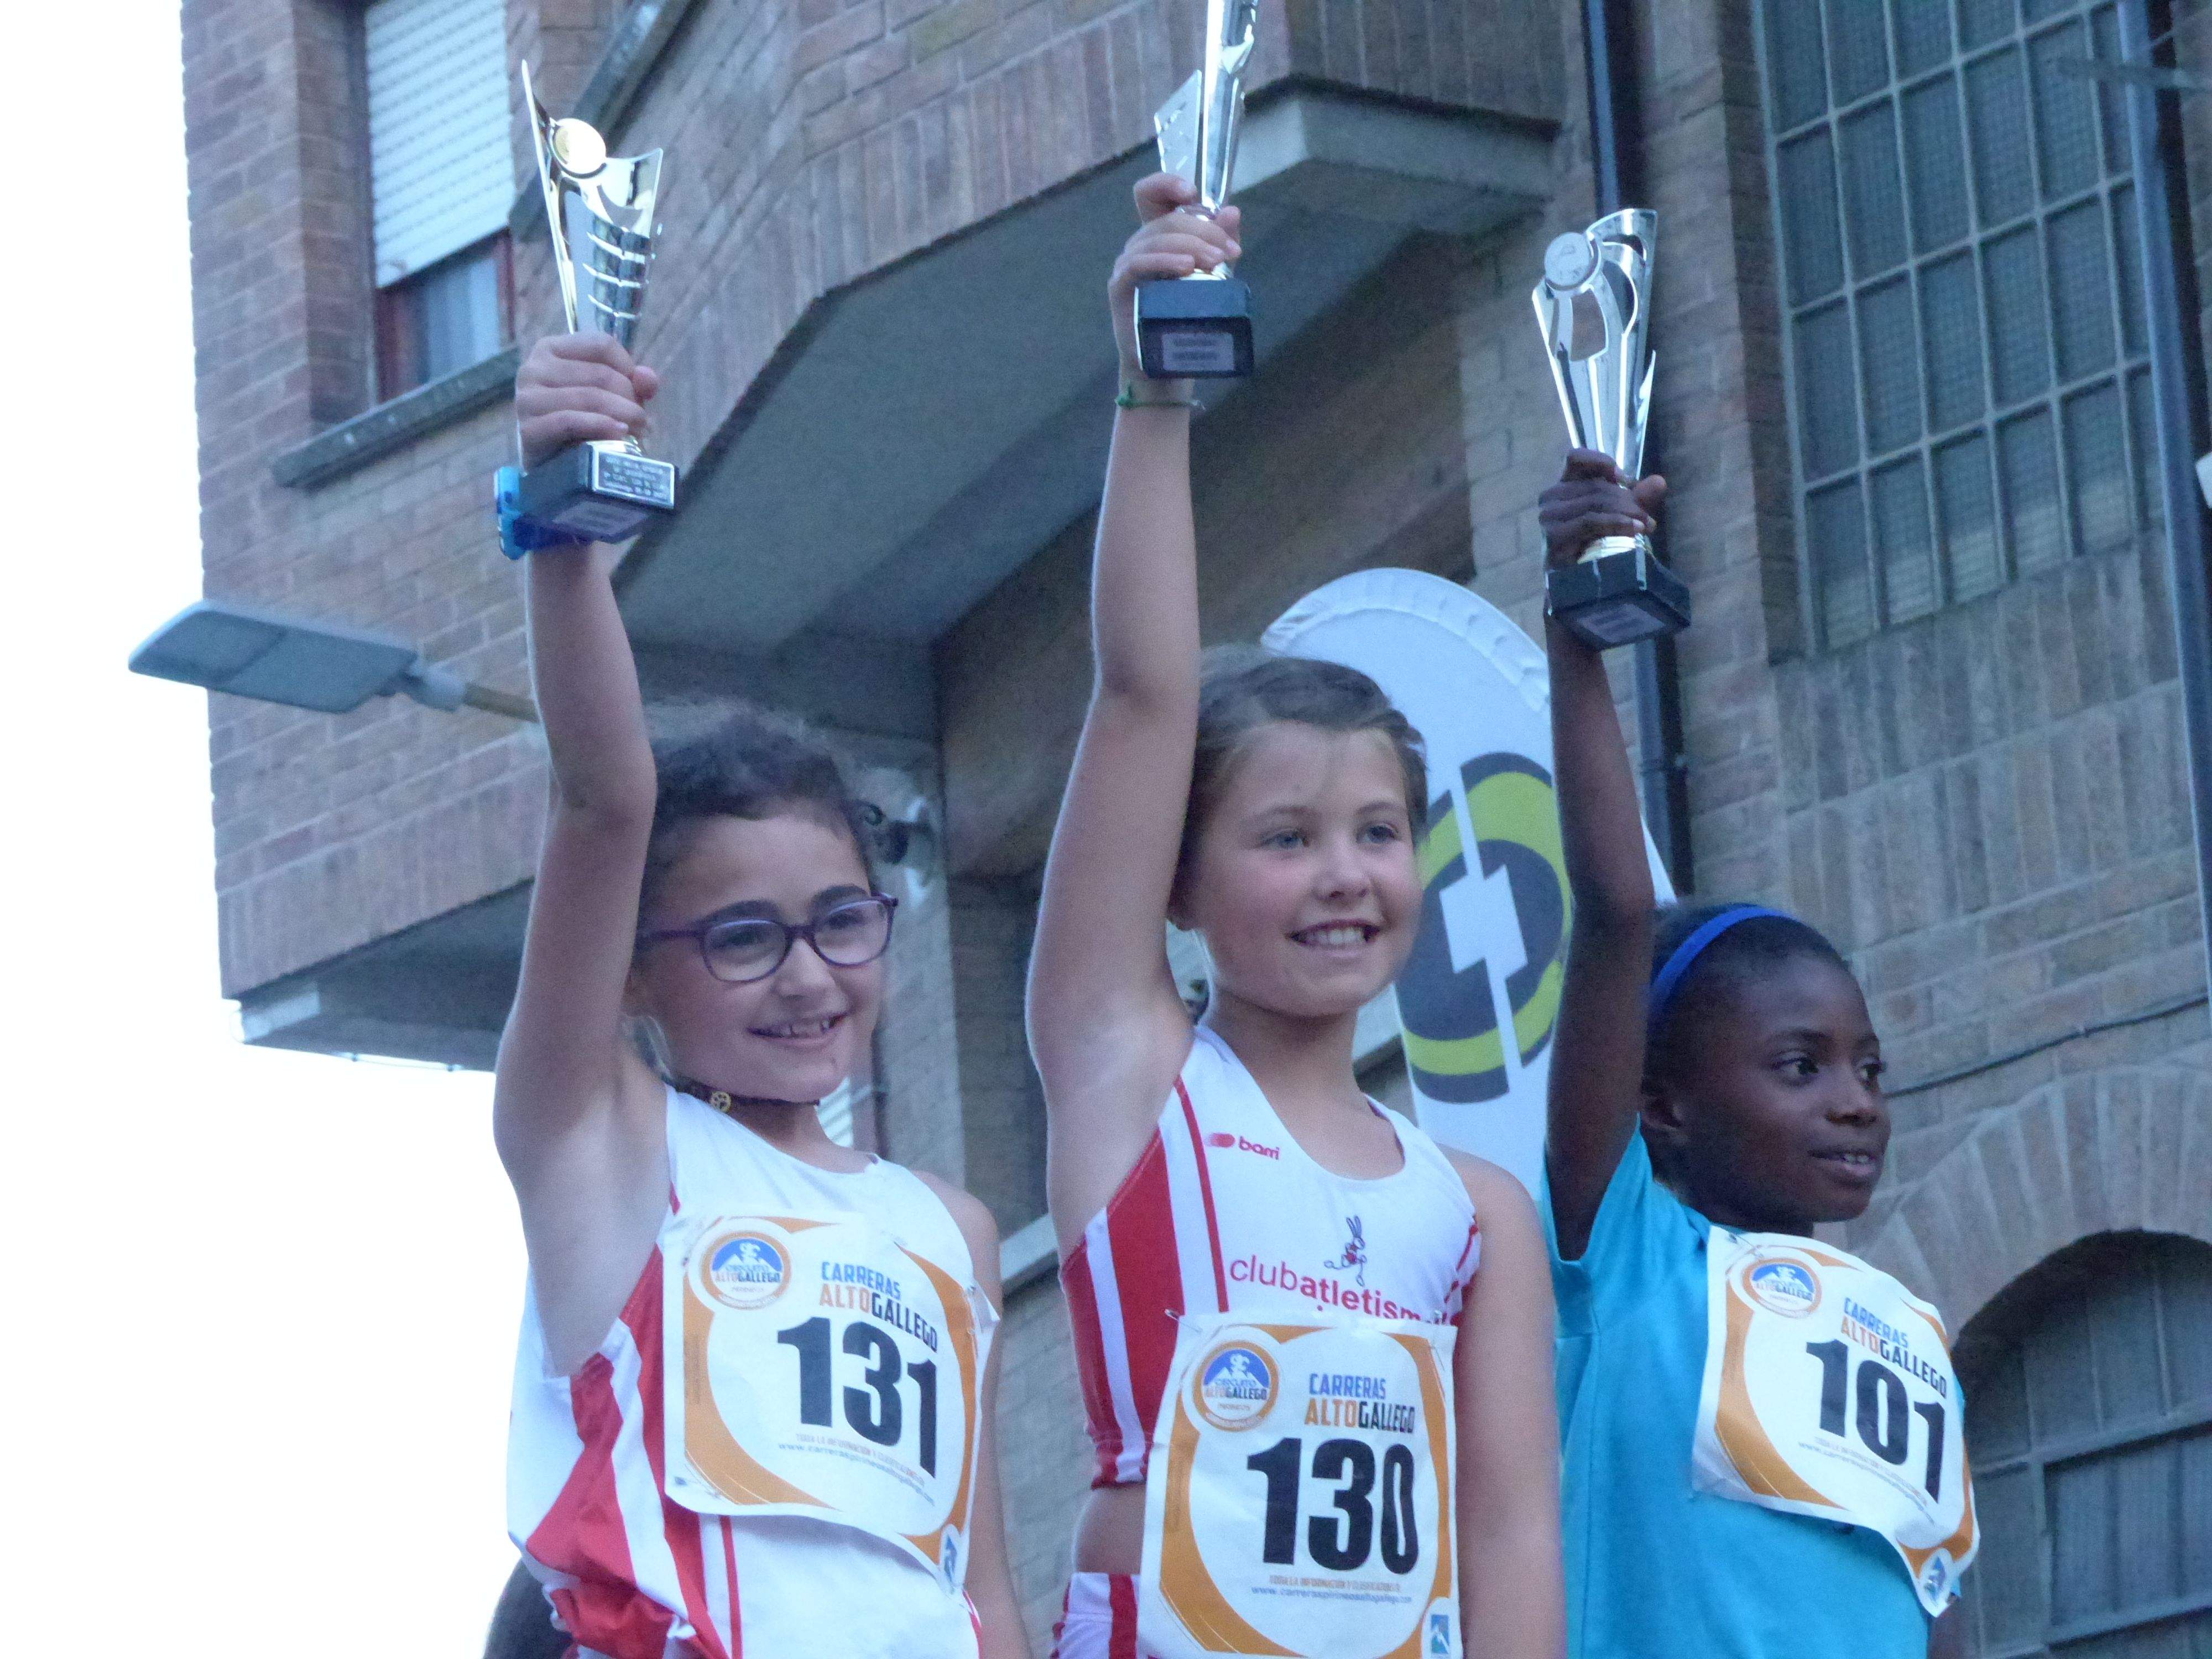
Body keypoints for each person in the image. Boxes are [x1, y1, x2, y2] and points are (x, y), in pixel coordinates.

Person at [1025, 172, 1563, 1659]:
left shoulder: (1478, 1212)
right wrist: (1153, 395)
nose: (1345, 874)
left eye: (1379, 833)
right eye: (1286, 838)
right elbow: (1142, 699)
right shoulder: (1130, 1071)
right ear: (1179, 882)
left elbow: (1511, 1524)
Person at [496, 332, 1027, 1659]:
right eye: (742, 938)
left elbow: (976, 1577)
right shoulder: (601, 1139)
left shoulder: (950, 1227)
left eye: (842, 921)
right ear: (633, 969)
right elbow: (600, 799)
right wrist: (564, 527)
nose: (807, 974)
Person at [1538, 451, 1976, 1659]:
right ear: (1656, 1104)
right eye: (1799, 1067)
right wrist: (1576, 630)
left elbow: (1925, 1604)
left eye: (1867, 1069)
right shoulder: (1618, 1254)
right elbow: (1618, 909)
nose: (1853, 1105)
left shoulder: (1904, 1330)